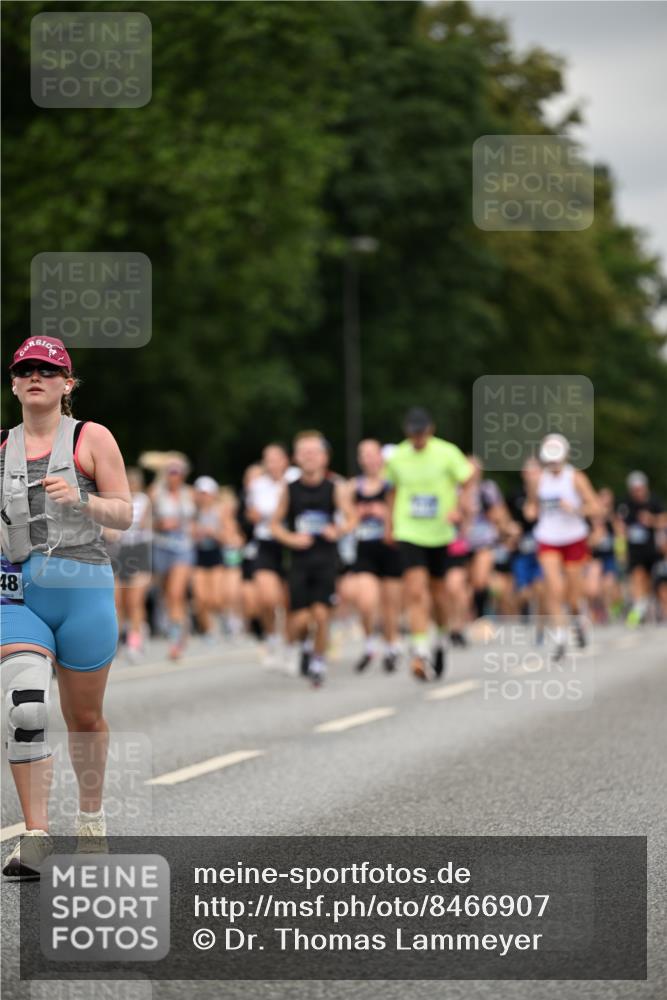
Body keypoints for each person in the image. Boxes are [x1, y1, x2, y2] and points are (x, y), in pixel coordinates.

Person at [1, 336, 131, 877]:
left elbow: (124, 514)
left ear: (66, 385)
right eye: (26, 370)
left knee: (84, 718)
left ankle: (92, 821)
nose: (36, 377)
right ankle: (35, 835)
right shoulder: (0, 448)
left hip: (84, 592)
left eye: (48, 371)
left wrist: (82, 499)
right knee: (25, 710)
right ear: (13, 383)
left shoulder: (91, 437)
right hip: (18, 595)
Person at [384, 407, 474, 681]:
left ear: (430, 430)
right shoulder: (398, 456)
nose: (417, 439)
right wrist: (389, 525)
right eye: (413, 434)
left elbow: (468, 480)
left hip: (439, 532)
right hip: (409, 530)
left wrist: (459, 508)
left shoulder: (447, 453)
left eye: (421, 433)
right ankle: (420, 649)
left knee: (438, 594)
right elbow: (392, 491)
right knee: (414, 589)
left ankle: (441, 638)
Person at [271, 431, 356, 686]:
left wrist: (338, 530)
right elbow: (274, 525)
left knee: (321, 615)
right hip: (299, 561)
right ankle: (301, 644)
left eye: (314, 452)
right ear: (296, 458)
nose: (309, 457)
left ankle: (318, 661)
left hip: (325, 560)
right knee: (299, 620)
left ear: (324, 458)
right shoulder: (289, 489)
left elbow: (352, 519)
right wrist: (291, 539)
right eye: (304, 452)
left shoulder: (335, 488)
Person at [530, 433, 601, 660]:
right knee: (554, 586)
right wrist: (530, 511)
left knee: (572, 591)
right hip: (548, 537)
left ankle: (578, 618)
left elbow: (596, 507)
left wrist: (576, 509)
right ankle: (560, 636)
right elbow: (532, 507)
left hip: (573, 537)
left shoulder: (575, 478)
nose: (552, 464)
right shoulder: (539, 479)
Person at [348, 439, 403, 673]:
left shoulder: (393, 485)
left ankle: (392, 645)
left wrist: (387, 515)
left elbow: (403, 512)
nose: (369, 459)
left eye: (373, 454)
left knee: (390, 605)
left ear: (381, 457)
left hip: (390, 548)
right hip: (365, 549)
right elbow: (345, 514)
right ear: (360, 459)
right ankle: (370, 642)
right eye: (364, 455)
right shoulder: (353, 487)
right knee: (366, 600)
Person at [244, 444, 293, 664]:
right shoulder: (257, 485)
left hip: (290, 543)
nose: (272, 464)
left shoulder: (295, 480)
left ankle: (291, 642)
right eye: (268, 460)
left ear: (285, 460)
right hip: (266, 542)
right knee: (266, 597)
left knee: (289, 599)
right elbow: (252, 515)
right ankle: (272, 637)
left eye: (276, 459)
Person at [149, 456, 195, 659]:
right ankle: (180, 626)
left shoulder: (189, 494)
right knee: (168, 596)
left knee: (176, 592)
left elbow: (201, 516)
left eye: (177, 472)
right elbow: (145, 521)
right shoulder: (156, 493)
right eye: (170, 472)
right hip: (161, 546)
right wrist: (160, 525)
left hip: (183, 548)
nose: (173, 476)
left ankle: (175, 641)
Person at [110, 466, 153, 662]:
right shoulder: (115, 500)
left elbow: (143, 523)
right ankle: (118, 640)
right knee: (117, 602)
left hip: (139, 551)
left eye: (133, 483)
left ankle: (135, 642)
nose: (130, 486)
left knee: (134, 601)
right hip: (118, 552)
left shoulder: (144, 501)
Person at [616, 471, 665, 626]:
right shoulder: (626, 504)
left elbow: (664, 520)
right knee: (637, 576)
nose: (637, 492)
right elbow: (619, 525)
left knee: (653, 581)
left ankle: (648, 605)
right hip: (634, 549)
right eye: (634, 489)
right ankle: (638, 608)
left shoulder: (655, 502)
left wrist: (652, 520)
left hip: (652, 549)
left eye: (640, 489)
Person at [191, 476, 225, 643]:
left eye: (207, 494)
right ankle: (208, 630)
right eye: (201, 494)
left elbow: (229, 536)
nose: (204, 497)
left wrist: (214, 533)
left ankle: (219, 620)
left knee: (215, 597)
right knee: (200, 598)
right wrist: (195, 534)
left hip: (215, 554)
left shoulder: (220, 512)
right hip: (198, 555)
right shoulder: (192, 513)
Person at [586, 487, 621, 623]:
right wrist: (597, 530)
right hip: (594, 557)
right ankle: (595, 609)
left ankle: (607, 612)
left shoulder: (612, 519)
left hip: (609, 557)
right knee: (593, 590)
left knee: (608, 585)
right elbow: (589, 543)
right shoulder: (589, 519)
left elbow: (621, 536)